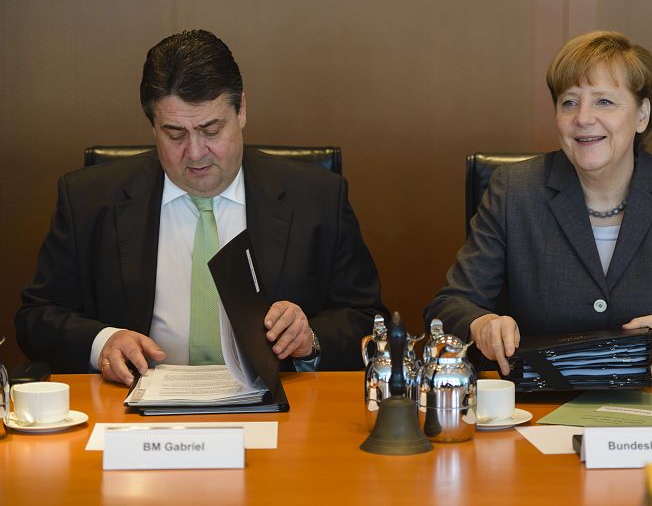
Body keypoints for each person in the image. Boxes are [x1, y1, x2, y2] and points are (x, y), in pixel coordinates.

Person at [16, 29, 386, 385]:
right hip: (134, 411)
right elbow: (36, 318)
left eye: (211, 130)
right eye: (175, 134)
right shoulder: (89, 199)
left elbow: (367, 319)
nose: (195, 154)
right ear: (153, 126)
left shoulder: (317, 198)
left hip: (279, 410)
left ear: (241, 111)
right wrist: (102, 343)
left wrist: (312, 338)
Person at [425, 30, 652, 376]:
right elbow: (449, 306)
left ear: (641, 115)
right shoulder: (514, 191)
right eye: (569, 102)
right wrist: (481, 323)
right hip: (538, 405)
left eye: (604, 101)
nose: (583, 118)